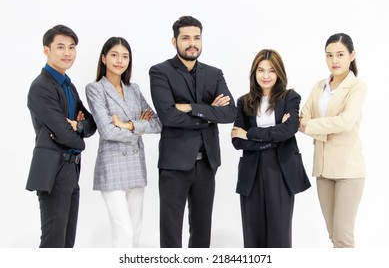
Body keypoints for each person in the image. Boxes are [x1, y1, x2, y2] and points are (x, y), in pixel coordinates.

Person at [149, 15, 237, 248]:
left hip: (207, 163)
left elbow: (230, 113)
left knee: (201, 231)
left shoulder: (214, 73)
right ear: (174, 41)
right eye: (186, 38)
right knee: (171, 231)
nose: (192, 43)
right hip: (174, 164)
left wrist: (191, 108)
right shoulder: (160, 72)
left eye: (197, 38)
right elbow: (168, 116)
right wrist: (209, 114)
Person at [86, 37, 162, 248]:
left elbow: (157, 124)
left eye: (125, 56)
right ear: (104, 58)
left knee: (135, 233)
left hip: (136, 167)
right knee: (124, 233)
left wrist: (128, 125)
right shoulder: (95, 89)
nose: (120, 60)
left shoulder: (134, 89)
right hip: (112, 167)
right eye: (114, 55)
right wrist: (139, 127)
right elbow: (107, 131)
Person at [231, 49, 311, 248]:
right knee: (252, 234)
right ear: (254, 73)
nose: (266, 76)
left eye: (271, 70)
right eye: (261, 70)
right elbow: (236, 140)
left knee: (279, 234)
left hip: (281, 170)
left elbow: (289, 130)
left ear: (279, 73)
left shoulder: (291, 97)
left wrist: (250, 133)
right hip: (252, 172)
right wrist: (275, 133)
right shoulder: (243, 102)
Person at [26, 24, 96, 248]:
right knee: (53, 243)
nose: (67, 53)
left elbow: (92, 123)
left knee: (67, 243)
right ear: (47, 50)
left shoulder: (68, 85)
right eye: (60, 47)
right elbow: (65, 135)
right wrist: (78, 134)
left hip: (71, 169)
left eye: (72, 47)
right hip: (54, 171)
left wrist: (77, 126)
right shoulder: (41, 87)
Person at [299, 33, 367, 248]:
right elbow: (303, 116)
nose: (334, 61)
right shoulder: (319, 86)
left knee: (343, 237)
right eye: (329, 55)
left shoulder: (357, 87)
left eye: (340, 55)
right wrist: (321, 128)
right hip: (323, 169)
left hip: (348, 170)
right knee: (333, 234)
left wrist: (312, 127)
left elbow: (346, 122)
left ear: (352, 56)